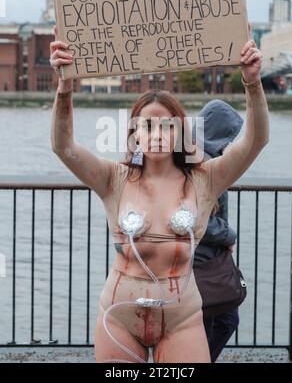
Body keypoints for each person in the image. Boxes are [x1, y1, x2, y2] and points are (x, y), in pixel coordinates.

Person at [49, 25, 269, 363]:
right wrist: (65, 88)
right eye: (146, 126)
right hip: (119, 319)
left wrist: (252, 83)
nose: (155, 134)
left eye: (166, 125)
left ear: (181, 131)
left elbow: (255, 141)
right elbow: (63, 146)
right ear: (134, 134)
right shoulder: (113, 179)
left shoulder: (204, 180)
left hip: (182, 319)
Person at [192, 99, 244, 362]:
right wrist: (229, 236)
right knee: (215, 323)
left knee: (221, 320)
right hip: (202, 262)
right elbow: (198, 218)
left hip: (205, 260)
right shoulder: (202, 163)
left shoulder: (198, 156)